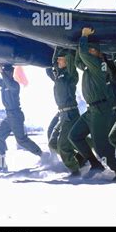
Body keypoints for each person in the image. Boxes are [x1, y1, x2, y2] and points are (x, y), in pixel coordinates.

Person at [69, 28, 116, 181]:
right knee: (74, 136)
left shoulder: (100, 65)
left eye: (91, 50)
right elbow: (78, 61)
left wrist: (83, 37)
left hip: (101, 110)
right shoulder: (90, 66)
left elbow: (83, 55)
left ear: (97, 52)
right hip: (91, 110)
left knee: (103, 149)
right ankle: (95, 164)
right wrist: (77, 43)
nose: (88, 51)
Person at [0, 64, 43, 171]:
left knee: (21, 140)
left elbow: (7, 82)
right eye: (6, 72)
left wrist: (1, 71)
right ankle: (2, 164)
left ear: (12, 73)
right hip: (9, 116)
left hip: (16, 115)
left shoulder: (14, 85)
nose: (7, 74)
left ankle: (42, 155)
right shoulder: (3, 83)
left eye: (8, 72)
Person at [46, 48, 92, 177]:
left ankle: (75, 170)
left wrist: (69, 52)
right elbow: (53, 62)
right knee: (53, 143)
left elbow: (70, 62)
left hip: (70, 114)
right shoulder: (58, 74)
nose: (58, 61)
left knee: (63, 146)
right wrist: (56, 47)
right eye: (59, 59)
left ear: (67, 61)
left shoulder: (71, 75)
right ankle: (84, 155)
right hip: (62, 114)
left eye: (61, 59)